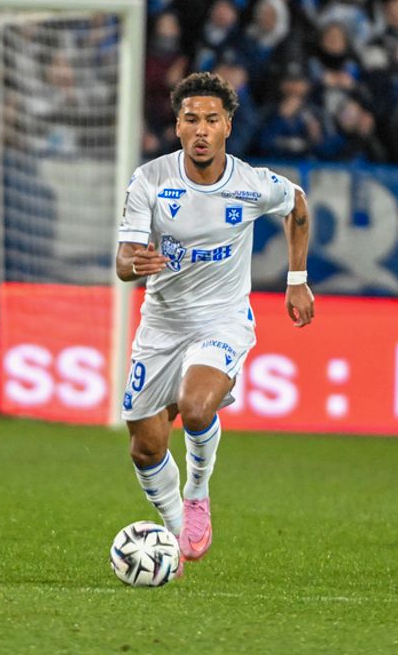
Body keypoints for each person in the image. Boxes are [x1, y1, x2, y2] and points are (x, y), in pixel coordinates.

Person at [115, 71, 315, 568]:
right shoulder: (151, 180)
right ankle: (175, 532)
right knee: (144, 445)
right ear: (177, 127)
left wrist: (297, 277)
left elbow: (297, 205)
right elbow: (123, 259)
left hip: (222, 320)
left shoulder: (251, 184)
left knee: (197, 407)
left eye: (211, 119)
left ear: (228, 125)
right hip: (161, 323)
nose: (201, 130)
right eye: (190, 120)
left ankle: (198, 492)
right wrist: (132, 264)